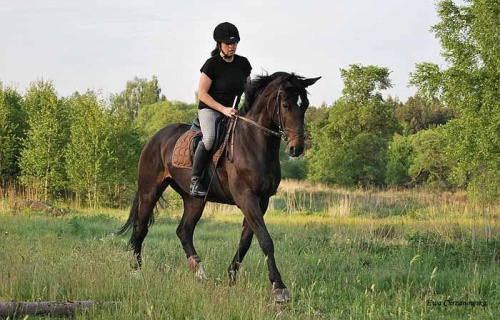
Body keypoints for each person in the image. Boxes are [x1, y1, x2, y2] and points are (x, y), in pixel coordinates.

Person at [190, 22, 252, 197]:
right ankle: (195, 180)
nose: (232, 47)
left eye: (234, 43)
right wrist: (223, 109)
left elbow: (249, 90)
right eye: (228, 44)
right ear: (219, 44)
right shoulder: (212, 64)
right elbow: (202, 94)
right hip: (210, 109)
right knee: (209, 139)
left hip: (233, 111)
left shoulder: (243, 63)